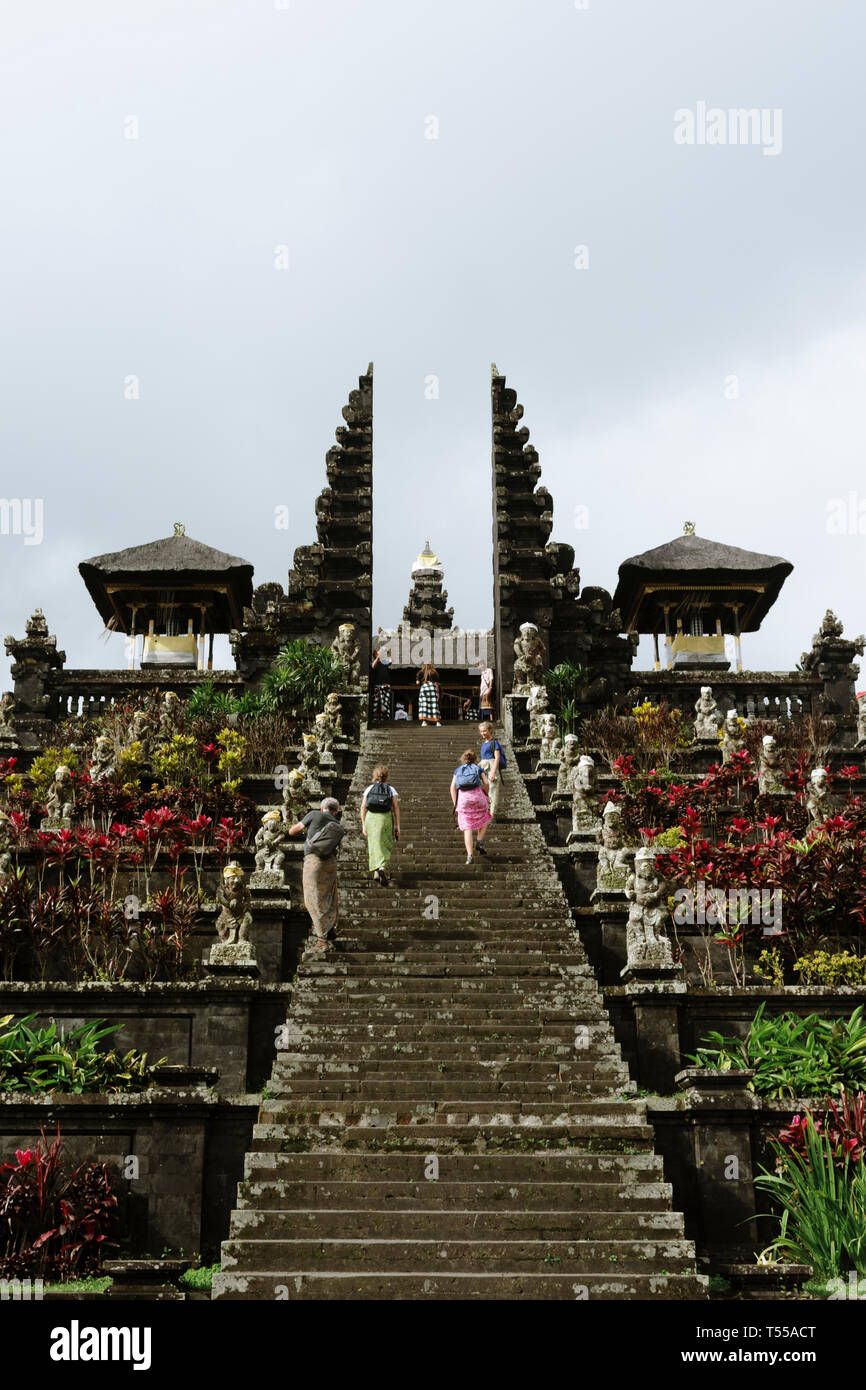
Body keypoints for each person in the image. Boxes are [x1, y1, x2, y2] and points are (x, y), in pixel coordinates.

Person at [287, 797, 345, 951]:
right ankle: (330, 928)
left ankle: (321, 940)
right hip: (331, 863)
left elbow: (293, 831)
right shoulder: (338, 825)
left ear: (322, 808)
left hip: (314, 861)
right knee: (329, 897)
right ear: (336, 811)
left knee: (312, 899)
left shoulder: (314, 814)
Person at [361, 763, 401, 886]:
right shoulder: (391, 789)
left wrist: (363, 824)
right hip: (385, 818)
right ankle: (381, 868)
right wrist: (397, 826)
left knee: (373, 844)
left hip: (371, 818)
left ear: (375, 776)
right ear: (386, 776)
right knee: (385, 843)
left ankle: (376, 870)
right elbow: (395, 808)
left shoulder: (369, 789)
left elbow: (363, 807)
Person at [450, 749, 491, 866]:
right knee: (485, 817)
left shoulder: (458, 770)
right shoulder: (478, 769)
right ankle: (479, 841)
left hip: (464, 800)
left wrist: (455, 803)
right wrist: (485, 793)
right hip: (478, 798)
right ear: (475, 759)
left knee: (467, 828)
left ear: (463, 759)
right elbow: (487, 783)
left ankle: (469, 856)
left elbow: (452, 787)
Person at [478, 720, 507, 820]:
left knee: (493, 792)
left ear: (490, 730)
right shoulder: (483, 744)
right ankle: (486, 813)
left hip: (492, 768)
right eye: (481, 731)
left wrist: (494, 772)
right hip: (484, 769)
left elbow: (497, 758)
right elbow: (483, 760)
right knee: (485, 792)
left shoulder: (494, 743)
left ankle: (492, 814)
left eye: (485, 731)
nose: (483, 733)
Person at [370, 647, 393, 724]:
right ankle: (375, 718)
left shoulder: (384, 662)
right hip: (377, 686)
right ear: (375, 654)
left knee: (385, 703)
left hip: (386, 685)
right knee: (376, 703)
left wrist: (389, 652)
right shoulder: (373, 662)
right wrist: (378, 656)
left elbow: (391, 661)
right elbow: (373, 666)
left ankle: (385, 718)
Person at [416, 662, 441, 726]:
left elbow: (418, 683)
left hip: (424, 689)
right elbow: (436, 684)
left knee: (424, 705)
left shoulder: (420, 672)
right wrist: (438, 693)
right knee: (434, 705)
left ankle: (424, 721)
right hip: (432, 688)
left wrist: (418, 680)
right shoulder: (434, 672)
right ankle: (437, 722)